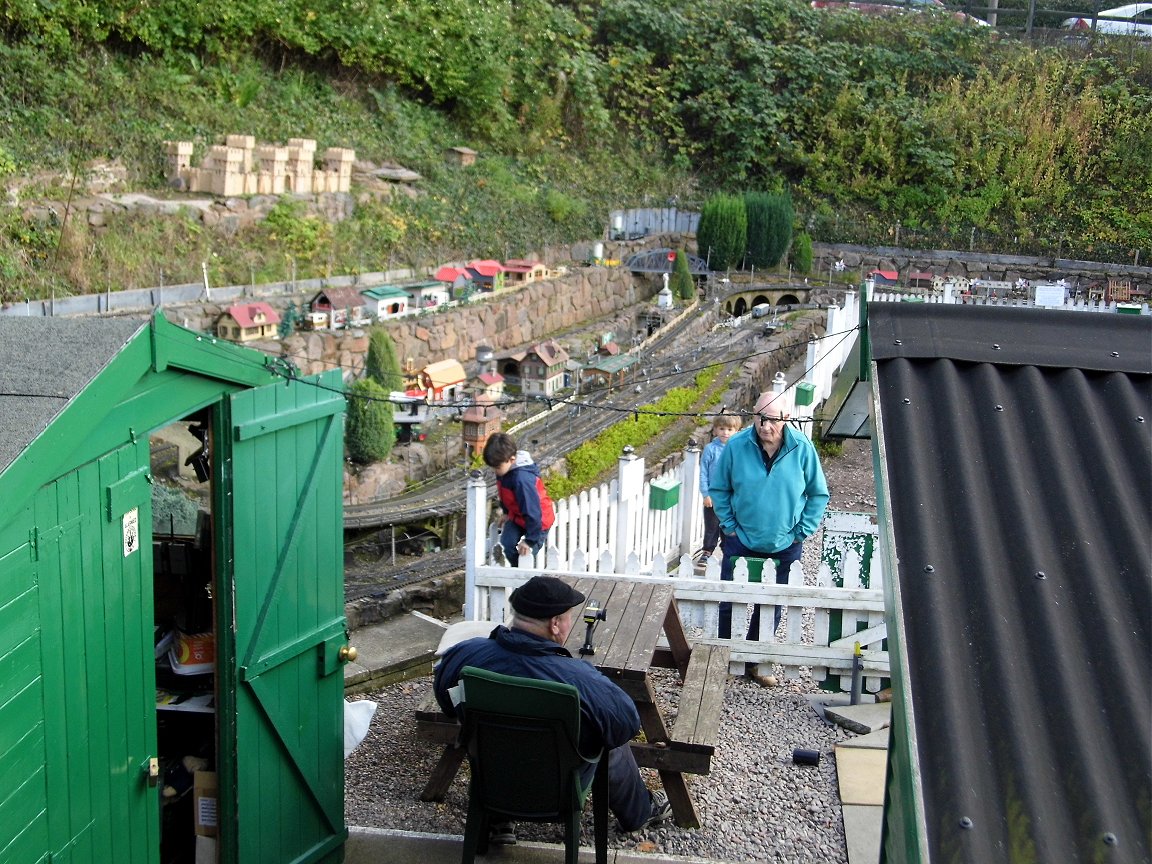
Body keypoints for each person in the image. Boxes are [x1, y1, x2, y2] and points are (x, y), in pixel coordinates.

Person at [433, 575, 672, 843]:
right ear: (556, 624)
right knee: (606, 729)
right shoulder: (580, 679)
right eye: (569, 617)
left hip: (493, 781)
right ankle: (639, 813)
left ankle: (498, 818)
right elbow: (627, 723)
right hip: (558, 788)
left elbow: (446, 703)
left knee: (500, 730)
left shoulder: (466, 654)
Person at [709, 388, 829, 678]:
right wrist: (729, 527)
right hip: (741, 540)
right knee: (729, 600)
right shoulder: (737, 446)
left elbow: (818, 494)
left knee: (771, 603)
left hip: (785, 544)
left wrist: (802, 531)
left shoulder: (802, 448)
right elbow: (719, 488)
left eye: (773, 419)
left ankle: (754, 662)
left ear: (787, 418)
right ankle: (723, 658)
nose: (765, 426)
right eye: (760, 418)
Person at [483, 432, 555, 567]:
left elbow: (533, 511)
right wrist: (505, 512)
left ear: (511, 459)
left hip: (538, 521)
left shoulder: (522, 480)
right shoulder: (503, 471)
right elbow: (504, 493)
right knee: (505, 546)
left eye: (497, 467)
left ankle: (522, 576)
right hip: (517, 516)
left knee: (526, 555)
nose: (496, 471)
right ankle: (515, 572)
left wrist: (530, 540)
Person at [697, 411, 743, 566]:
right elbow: (703, 473)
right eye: (722, 429)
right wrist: (705, 494)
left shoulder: (738, 449)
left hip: (730, 497)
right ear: (715, 430)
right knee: (712, 525)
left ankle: (728, 553)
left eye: (730, 430)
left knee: (728, 526)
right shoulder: (710, 449)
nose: (725, 433)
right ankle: (707, 551)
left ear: (736, 431)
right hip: (713, 497)